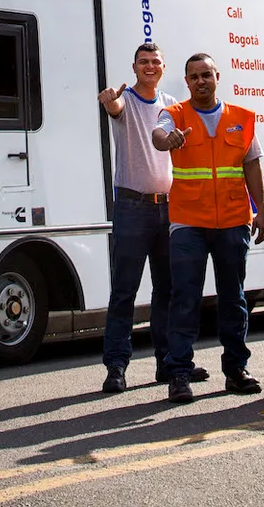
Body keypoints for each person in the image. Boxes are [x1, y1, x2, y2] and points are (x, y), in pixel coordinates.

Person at [152, 52, 264, 404]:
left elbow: (252, 166)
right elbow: (159, 135)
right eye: (194, 77)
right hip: (189, 222)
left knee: (233, 299)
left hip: (233, 220)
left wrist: (261, 211)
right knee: (185, 298)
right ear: (186, 82)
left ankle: (236, 370)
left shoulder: (242, 119)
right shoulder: (174, 115)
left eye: (206, 75)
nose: (201, 81)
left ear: (218, 76)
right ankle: (180, 373)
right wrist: (167, 141)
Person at [97, 42, 210, 393]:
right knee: (125, 291)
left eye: (155, 62)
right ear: (134, 68)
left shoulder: (170, 107)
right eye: (143, 62)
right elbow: (113, 107)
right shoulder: (126, 101)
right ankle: (116, 366)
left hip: (169, 208)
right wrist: (108, 101)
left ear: (163, 68)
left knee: (168, 290)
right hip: (133, 207)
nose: (150, 67)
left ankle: (168, 362)